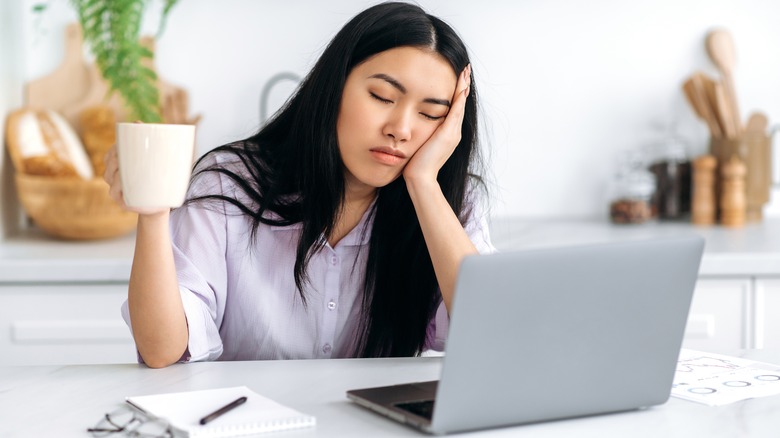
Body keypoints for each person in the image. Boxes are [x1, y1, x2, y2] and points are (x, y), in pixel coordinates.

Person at [104, 1, 495, 368]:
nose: (401, 130)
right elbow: (162, 352)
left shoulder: (451, 205)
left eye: (430, 114)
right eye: (382, 96)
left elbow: (488, 334)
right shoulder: (231, 185)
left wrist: (424, 184)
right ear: (334, 86)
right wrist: (153, 213)